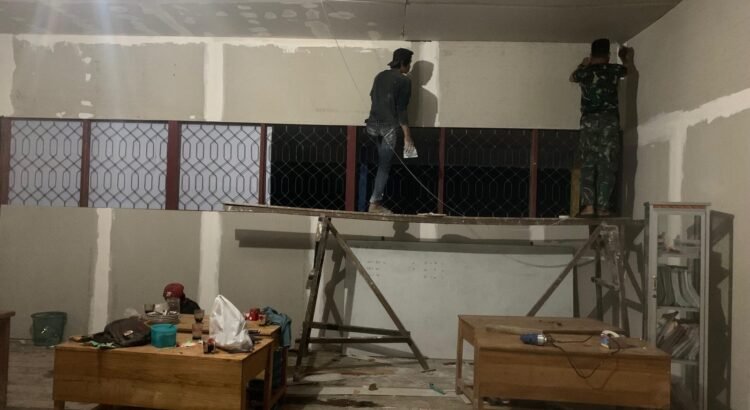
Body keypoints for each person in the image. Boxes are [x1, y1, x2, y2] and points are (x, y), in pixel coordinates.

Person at [570, 38, 630, 217]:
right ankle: (603, 207)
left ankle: (588, 206)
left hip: (588, 122)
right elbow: (627, 70)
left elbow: (572, 77)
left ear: (591, 54)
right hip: (609, 122)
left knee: (588, 163)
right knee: (607, 164)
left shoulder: (585, 72)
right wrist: (624, 58)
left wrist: (583, 64)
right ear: (608, 55)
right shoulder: (614, 70)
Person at [365, 48, 415, 214]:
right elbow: (402, 110)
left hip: (372, 126)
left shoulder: (379, 76)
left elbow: (373, 97)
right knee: (384, 166)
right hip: (388, 128)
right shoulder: (404, 81)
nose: (410, 67)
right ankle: (375, 204)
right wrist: (408, 136)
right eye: (409, 63)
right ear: (403, 63)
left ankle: (373, 200)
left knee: (378, 164)